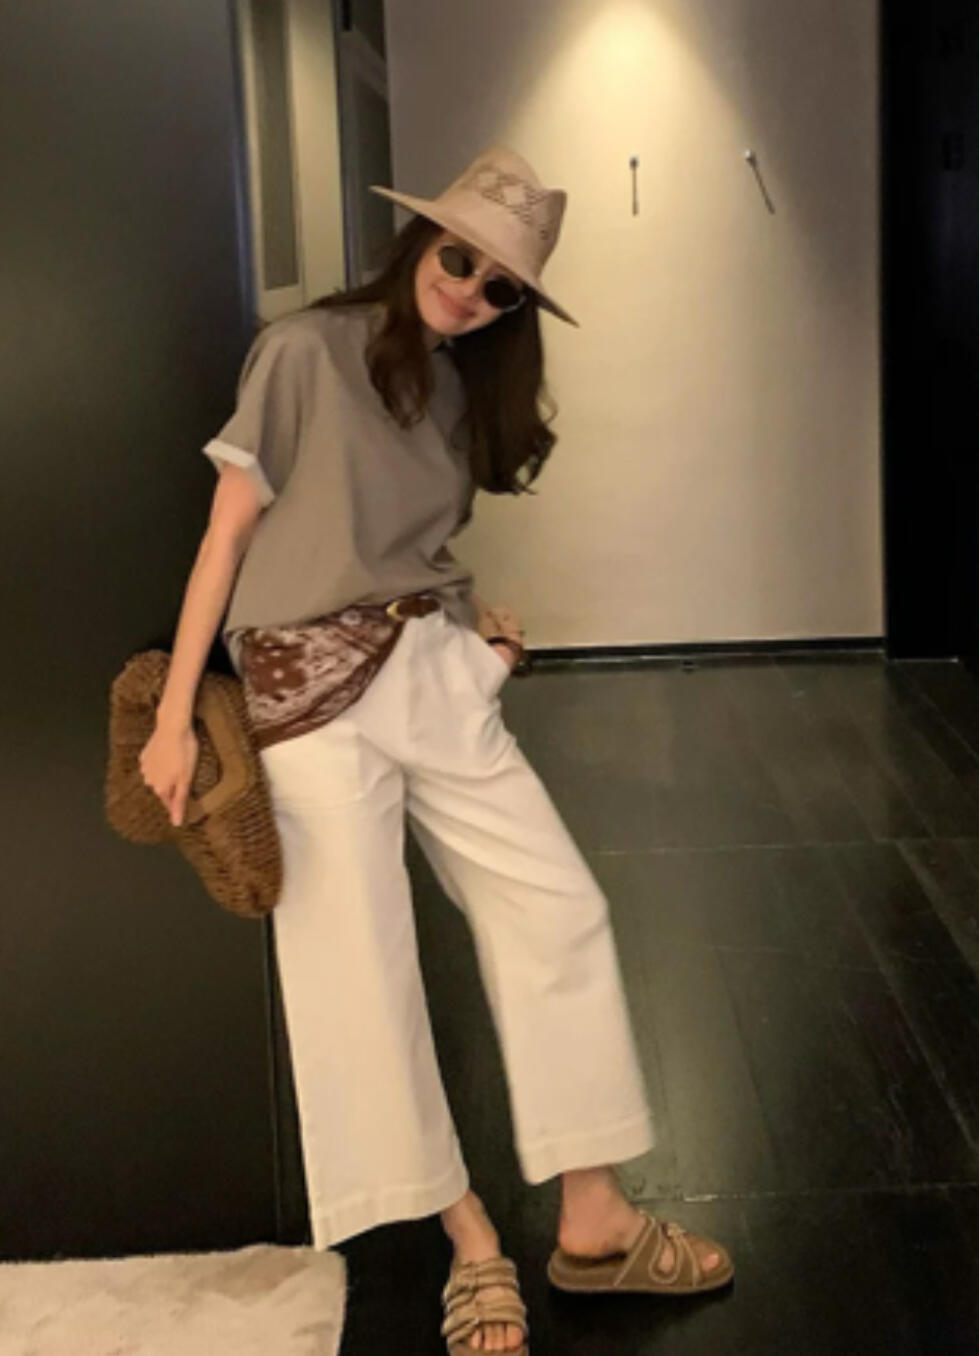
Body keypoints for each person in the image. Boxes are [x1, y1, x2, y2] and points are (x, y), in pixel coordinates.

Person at [138, 145, 733, 1354]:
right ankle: (470, 1241)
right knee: (357, 970)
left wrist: (480, 652)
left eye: (500, 286)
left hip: (433, 671)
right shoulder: (302, 352)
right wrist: (170, 714)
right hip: (308, 691)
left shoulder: (460, 391)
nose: (468, 291)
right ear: (421, 240)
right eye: (459, 259)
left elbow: (420, 551)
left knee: (558, 909)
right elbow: (226, 535)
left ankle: (592, 1220)